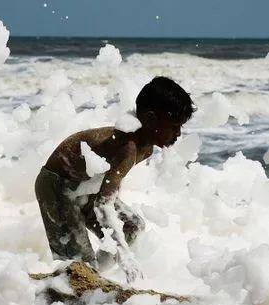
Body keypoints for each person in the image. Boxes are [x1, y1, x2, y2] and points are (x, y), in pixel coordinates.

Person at [35, 76, 194, 281]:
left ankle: (96, 276)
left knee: (132, 226)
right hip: (56, 186)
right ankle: (78, 278)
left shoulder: (146, 148)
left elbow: (110, 188)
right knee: (78, 267)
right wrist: (124, 256)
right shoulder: (128, 147)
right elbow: (103, 204)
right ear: (151, 118)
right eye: (174, 125)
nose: (179, 133)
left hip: (85, 188)